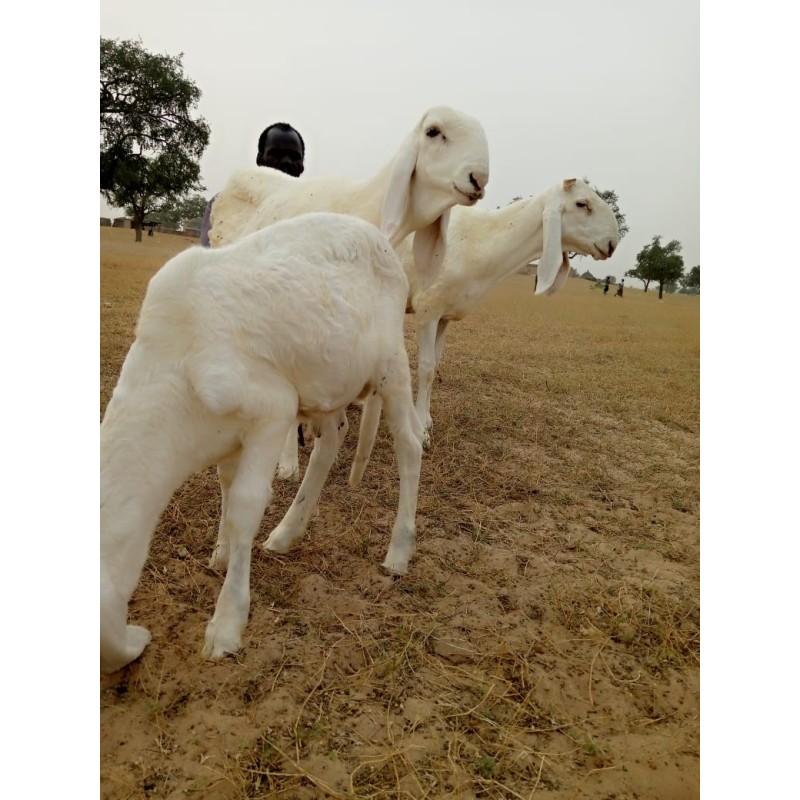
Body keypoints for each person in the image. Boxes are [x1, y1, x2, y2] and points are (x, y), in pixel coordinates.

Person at [199, 121, 306, 247]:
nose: (286, 161)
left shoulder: (313, 208)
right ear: (260, 159)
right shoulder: (224, 203)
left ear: (302, 166)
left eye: (295, 157)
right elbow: (212, 254)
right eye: (276, 154)